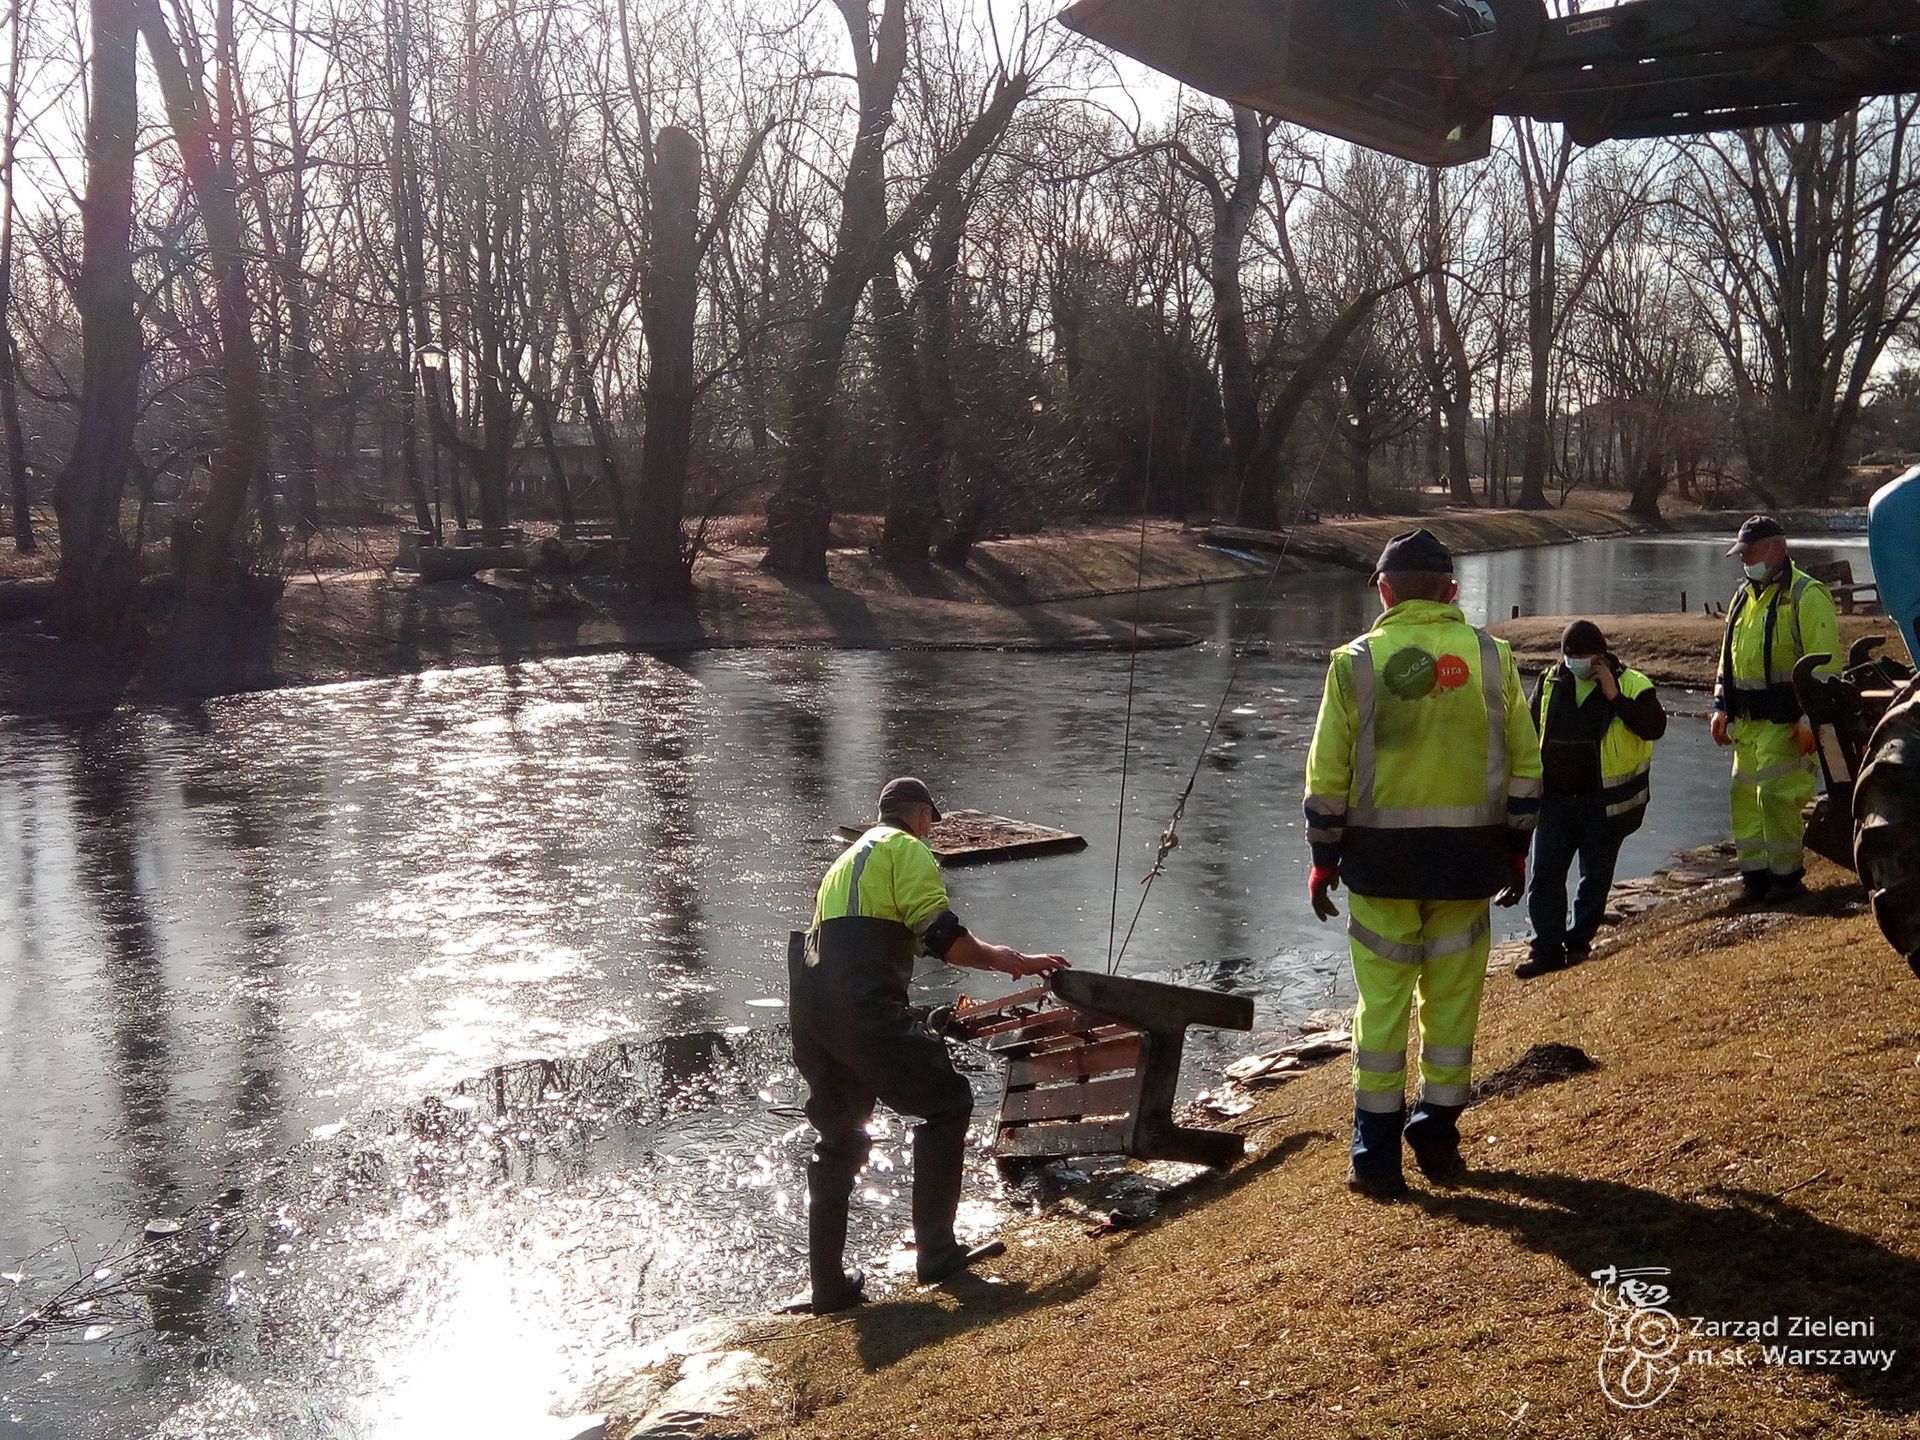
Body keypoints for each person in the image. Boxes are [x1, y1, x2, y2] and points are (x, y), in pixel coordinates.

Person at [1304, 529, 1543, 1199]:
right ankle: (1437, 1130)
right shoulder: (1493, 659)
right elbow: (1527, 769)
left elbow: (1327, 775)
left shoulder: (1353, 663)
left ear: (1383, 590)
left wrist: (1324, 859)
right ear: (1453, 592)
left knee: (1380, 1016)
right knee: (1453, 1005)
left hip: (1380, 869)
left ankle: (1373, 1162)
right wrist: (1516, 847)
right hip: (1468, 868)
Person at [789, 776, 1068, 1313]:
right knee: (948, 1104)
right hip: (863, 1006)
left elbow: (872, 944)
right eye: (931, 823)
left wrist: (1001, 961)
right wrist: (1015, 962)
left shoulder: (846, 862)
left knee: (839, 1142)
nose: (931, 832)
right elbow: (945, 939)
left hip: (813, 1012)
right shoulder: (907, 850)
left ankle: (827, 1286)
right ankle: (937, 1254)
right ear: (920, 816)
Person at [1515, 620, 1667, 978]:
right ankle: (1546, 949)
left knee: (1594, 878)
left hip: (1602, 805)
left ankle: (1578, 943)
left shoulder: (1633, 684)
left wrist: (1615, 696)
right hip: (1555, 801)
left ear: (1600, 656)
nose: (1575, 662)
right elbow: (1529, 729)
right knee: (1545, 875)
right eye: (1569, 655)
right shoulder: (1551, 681)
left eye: (1582, 656)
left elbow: (1654, 727)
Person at [1711, 515, 1840, 902]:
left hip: (1788, 722)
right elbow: (1727, 659)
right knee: (1743, 797)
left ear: (1777, 548)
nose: (1744, 559)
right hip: (1748, 724)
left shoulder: (1807, 595)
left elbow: (1827, 663)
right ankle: (1755, 879)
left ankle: (1786, 880)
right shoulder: (1743, 596)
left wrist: (1809, 717)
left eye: (1750, 551)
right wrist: (1720, 707)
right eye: (1741, 552)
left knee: (1777, 796)